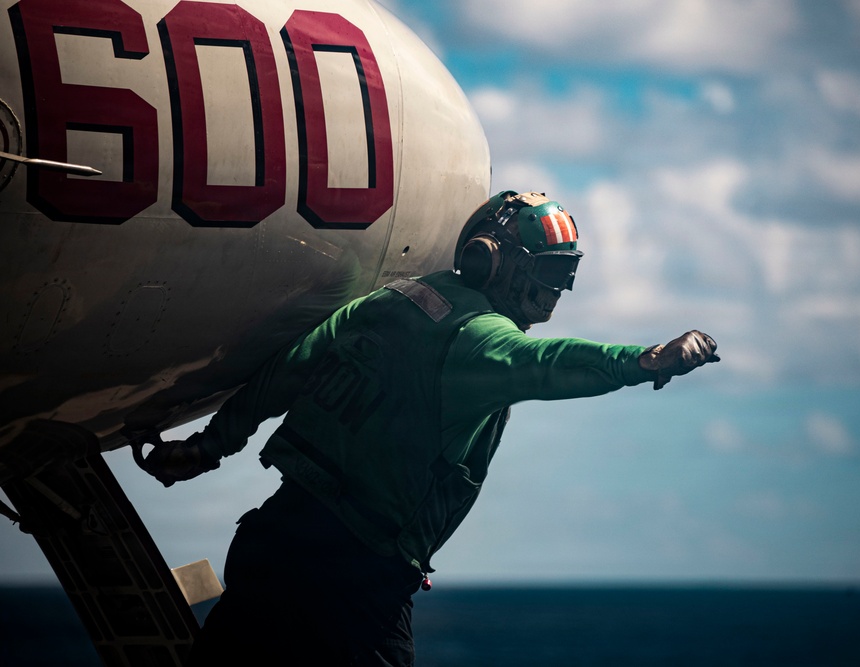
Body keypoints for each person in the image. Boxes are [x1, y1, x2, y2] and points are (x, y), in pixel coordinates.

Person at [138, 190, 720, 666]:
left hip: (278, 538)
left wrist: (207, 447)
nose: (554, 292)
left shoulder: (391, 301)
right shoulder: (479, 337)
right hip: (358, 583)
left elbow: (289, 370)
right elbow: (547, 365)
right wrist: (642, 360)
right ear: (494, 259)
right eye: (546, 271)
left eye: (564, 275)